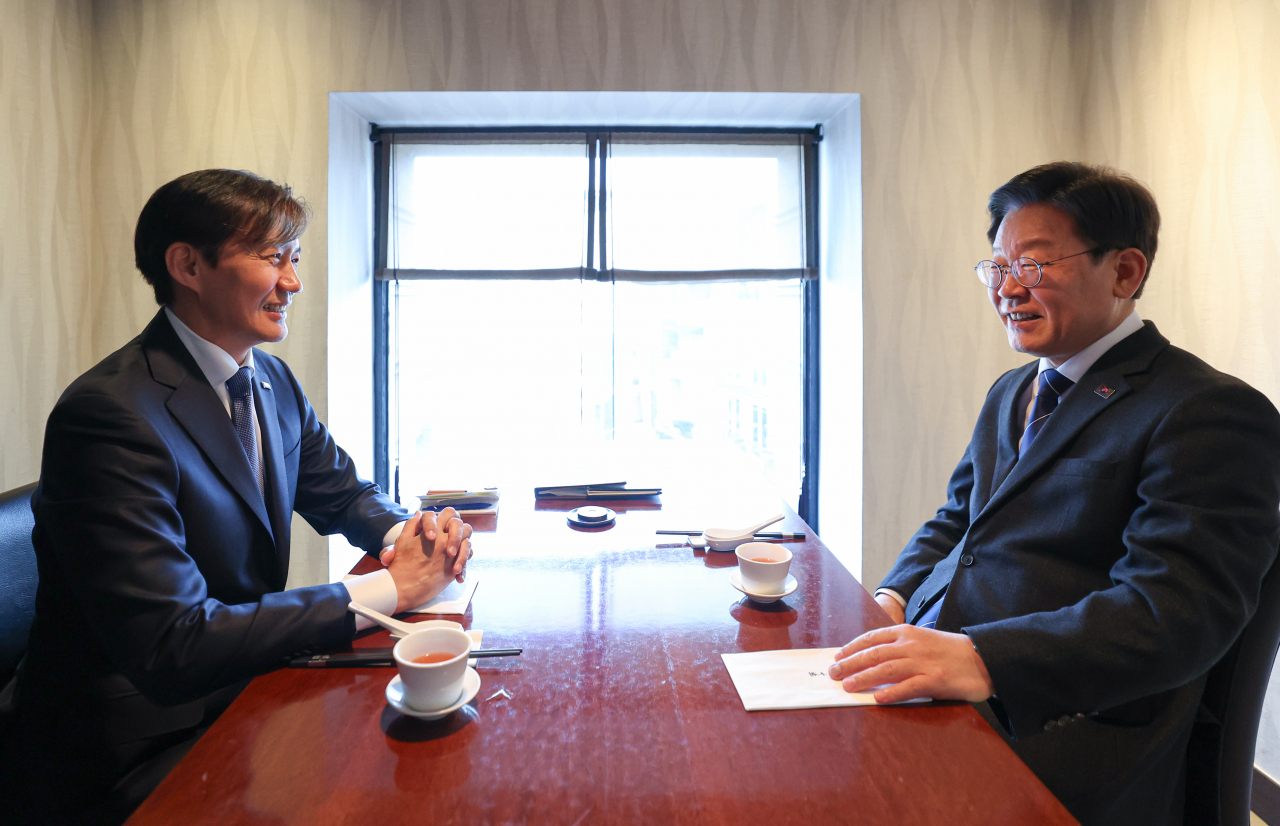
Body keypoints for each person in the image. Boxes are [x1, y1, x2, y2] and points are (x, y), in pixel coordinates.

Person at [1, 169, 474, 825]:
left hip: (243, 688)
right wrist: (393, 590)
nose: (294, 283)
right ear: (188, 265)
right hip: (133, 748)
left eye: (296, 259)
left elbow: (343, 495)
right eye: (273, 258)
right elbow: (173, 645)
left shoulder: (270, 380)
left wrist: (408, 536)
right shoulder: (109, 416)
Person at [828, 162, 1280, 825]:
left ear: (1125, 273)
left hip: (1065, 721)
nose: (1007, 289)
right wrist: (892, 599)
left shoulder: (1207, 411)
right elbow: (961, 520)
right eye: (997, 267)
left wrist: (984, 660)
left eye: (1034, 267)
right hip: (948, 678)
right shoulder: (1013, 391)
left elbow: (1176, 610)